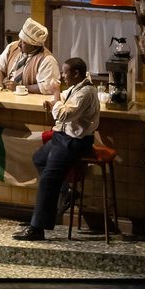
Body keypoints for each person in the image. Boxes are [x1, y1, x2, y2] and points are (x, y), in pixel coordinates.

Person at [13, 57, 100, 241]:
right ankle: (66, 191)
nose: (62, 76)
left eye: (64, 72)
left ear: (76, 73)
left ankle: (37, 228)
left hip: (75, 141)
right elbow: (63, 100)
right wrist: (54, 102)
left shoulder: (86, 92)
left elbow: (64, 114)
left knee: (48, 180)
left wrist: (54, 95)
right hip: (62, 136)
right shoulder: (77, 87)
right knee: (39, 158)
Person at [0, 17, 60, 94]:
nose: (19, 44)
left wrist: (20, 88)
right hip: (9, 95)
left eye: (24, 42)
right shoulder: (12, 47)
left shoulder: (47, 60)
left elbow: (48, 87)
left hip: (31, 101)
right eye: (19, 39)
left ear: (34, 45)